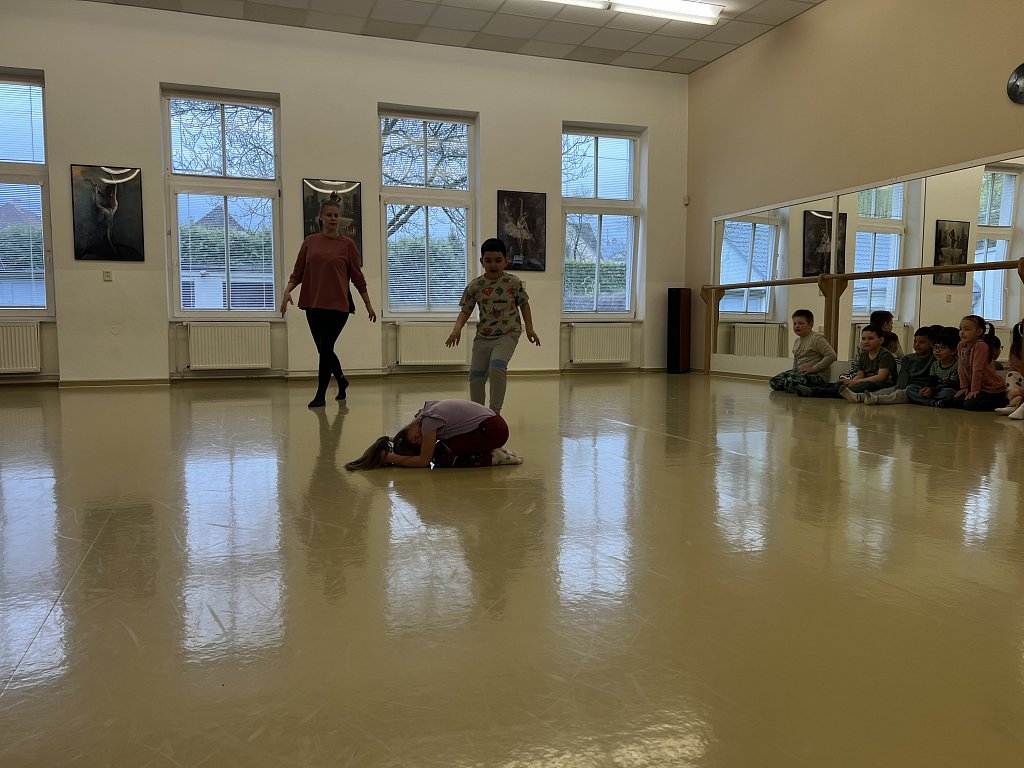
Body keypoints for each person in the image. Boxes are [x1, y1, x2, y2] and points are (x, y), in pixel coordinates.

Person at [280, 199, 377, 408]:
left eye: (336, 215)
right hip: (313, 303)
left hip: (338, 306)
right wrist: (287, 291)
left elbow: (357, 277)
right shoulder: (310, 242)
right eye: (329, 215)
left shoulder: (348, 245)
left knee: (325, 349)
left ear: (339, 219)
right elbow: (298, 271)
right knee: (324, 350)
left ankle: (320, 395)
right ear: (321, 218)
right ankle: (341, 380)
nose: (333, 218)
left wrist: (368, 304)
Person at [446, 238, 540, 414]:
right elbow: (465, 310)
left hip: (508, 333)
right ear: (482, 262)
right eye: (488, 260)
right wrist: (456, 329)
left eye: (498, 260)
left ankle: (494, 413)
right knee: (476, 376)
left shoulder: (513, 282)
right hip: (483, 336)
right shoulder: (475, 285)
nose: (493, 264)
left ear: (506, 261)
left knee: (497, 366)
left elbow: (524, 304)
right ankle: (477, 413)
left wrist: (529, 328)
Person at [345, 399, 523, 470]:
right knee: (441, 450)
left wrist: (390, 457)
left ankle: (493, 457)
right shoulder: (423, 414)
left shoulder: (428, 423)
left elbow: (424, 461)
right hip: (491, 424)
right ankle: (488, 450)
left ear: (416, 438)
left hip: (493, 431)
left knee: (442, 457)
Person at [841, 325, 935, 404]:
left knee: (901, 393)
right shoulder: (908, 358)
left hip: (918, 389)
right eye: (915, 341)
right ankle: (858, 397)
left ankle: (876, 400)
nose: (917, 344)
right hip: (905, 386)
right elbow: (903, 376)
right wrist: (898, 388)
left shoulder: (934, 359)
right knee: (887, 391)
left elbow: (932, 379)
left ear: (932, 344)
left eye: (922, 342)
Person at [797, 324, 895, 397]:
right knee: (841, 383)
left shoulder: (885, 355)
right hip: (865, 381)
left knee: (853, 388)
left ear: (880, 340)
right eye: (863, 339)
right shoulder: (863, 355)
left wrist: (857, 382)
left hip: (881, 384)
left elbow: (881, 377)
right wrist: (851, 381)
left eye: (870, 338)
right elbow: (860, 374)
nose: (866, 341)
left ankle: (812, 392)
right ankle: (808, 389)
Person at [769, 309, 837, 392]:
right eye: (795, 323)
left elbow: (832, 355)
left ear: (810, 325)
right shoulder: (797, 341)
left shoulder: (817, 339)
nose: (797, 326)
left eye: (801, 323)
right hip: (800, 373)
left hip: (817, 375)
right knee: (774, 382)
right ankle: (797, 387)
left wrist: (813, 368)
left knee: (791, 381)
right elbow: (796, 360)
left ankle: (810, 388)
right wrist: (793, 372)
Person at [950, 314, 1007, 412]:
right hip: (975, 386)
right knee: (957, 401)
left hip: (990, 388)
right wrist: (964, 387)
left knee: (970, 404)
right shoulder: (961, 345)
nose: (962, 332)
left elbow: (977, 370)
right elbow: (961, 367)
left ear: (979, 332)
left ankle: (1003, 402)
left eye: (966, 329)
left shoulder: (981, 346)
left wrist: (974, 390)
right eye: (960, 329)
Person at [839, 309, 903, 380]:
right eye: (891, 324)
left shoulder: (866, 340)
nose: (866, 341)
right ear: (885, 325)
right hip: (869, 372)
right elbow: (900, 355)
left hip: (870, 372)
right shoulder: (891, 338)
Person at [908, 326, 960, 407]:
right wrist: (926, 389)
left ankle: (930, 401)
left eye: (942, 348)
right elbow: (931, 380)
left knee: (949, 392)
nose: (937, 351)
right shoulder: (935, 364)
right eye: (935, 348)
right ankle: (934, 402)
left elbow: (952, 384)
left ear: (953, 351)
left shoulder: (956, 365)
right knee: (911, 388)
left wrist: (933, 390)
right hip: (934, 390)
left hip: (943, 390)